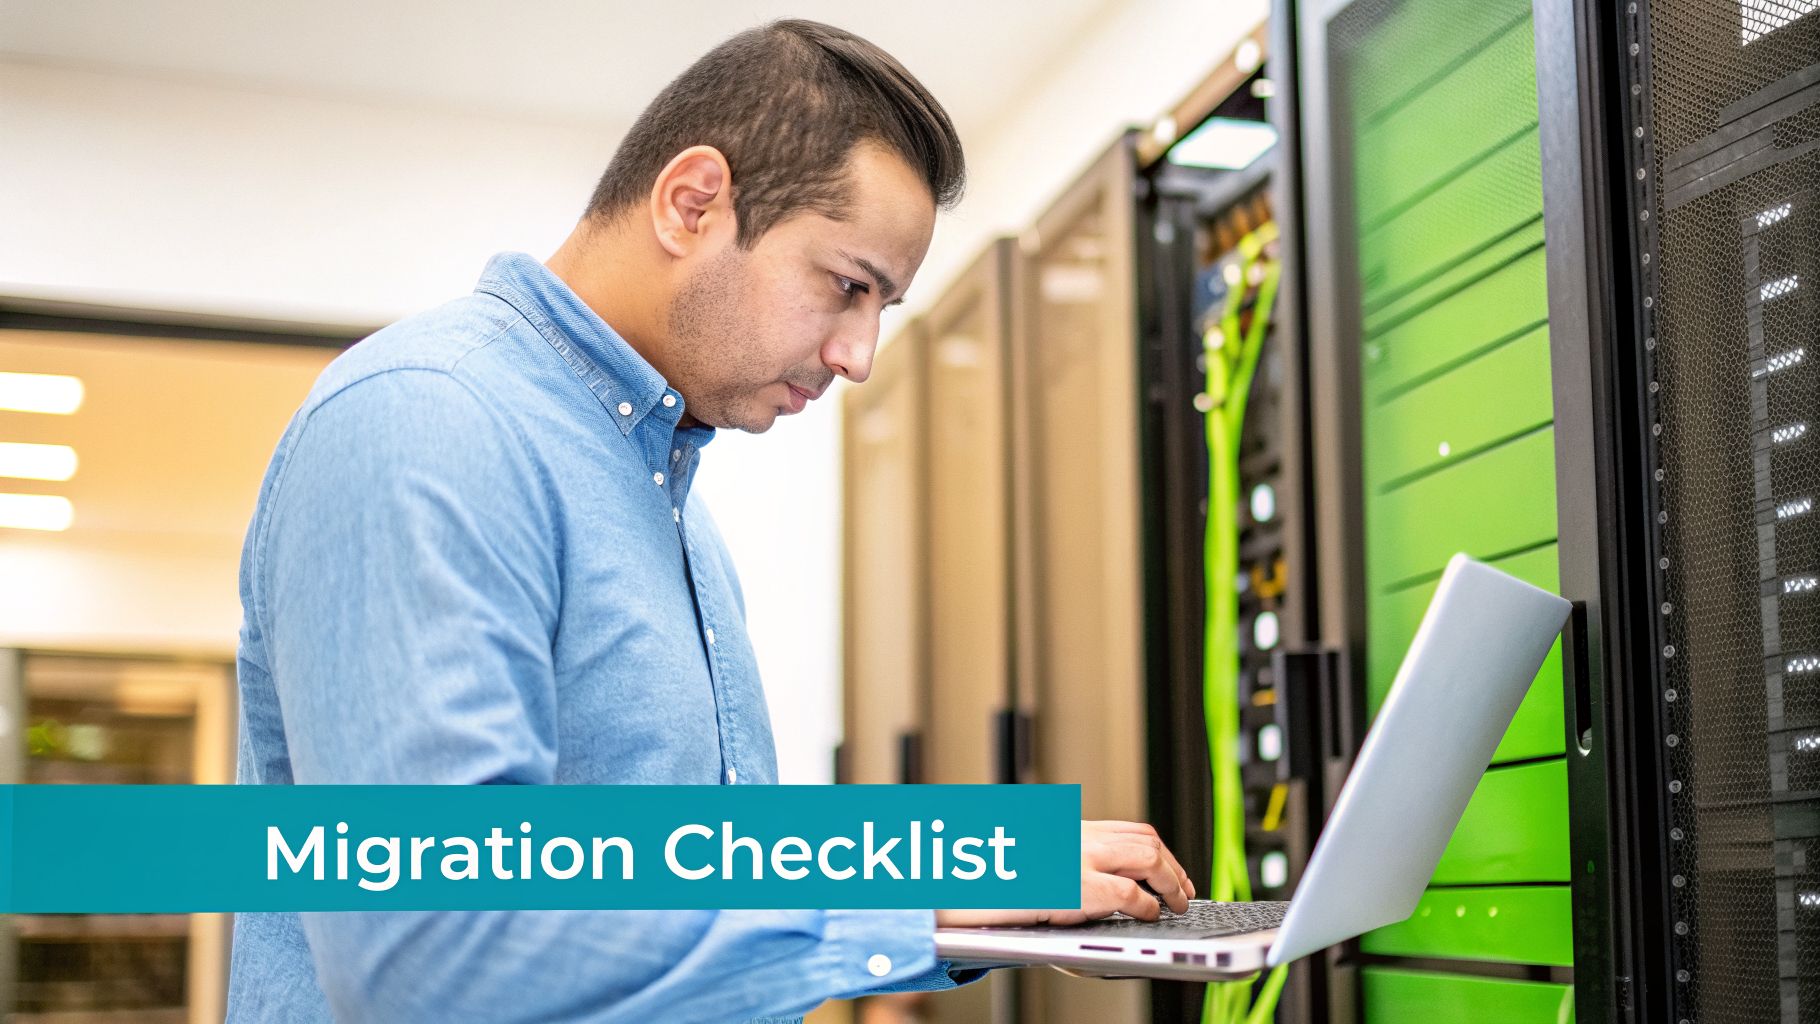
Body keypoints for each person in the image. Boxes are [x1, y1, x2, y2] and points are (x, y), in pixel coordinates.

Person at [227, 18, 1193, 1023]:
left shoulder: (671, 510)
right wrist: (917, 901)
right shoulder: (426, 423)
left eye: (881, 310)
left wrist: (973, 883)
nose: (858, 354)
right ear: (692, 204)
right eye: (845, 286)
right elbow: (436, 951)